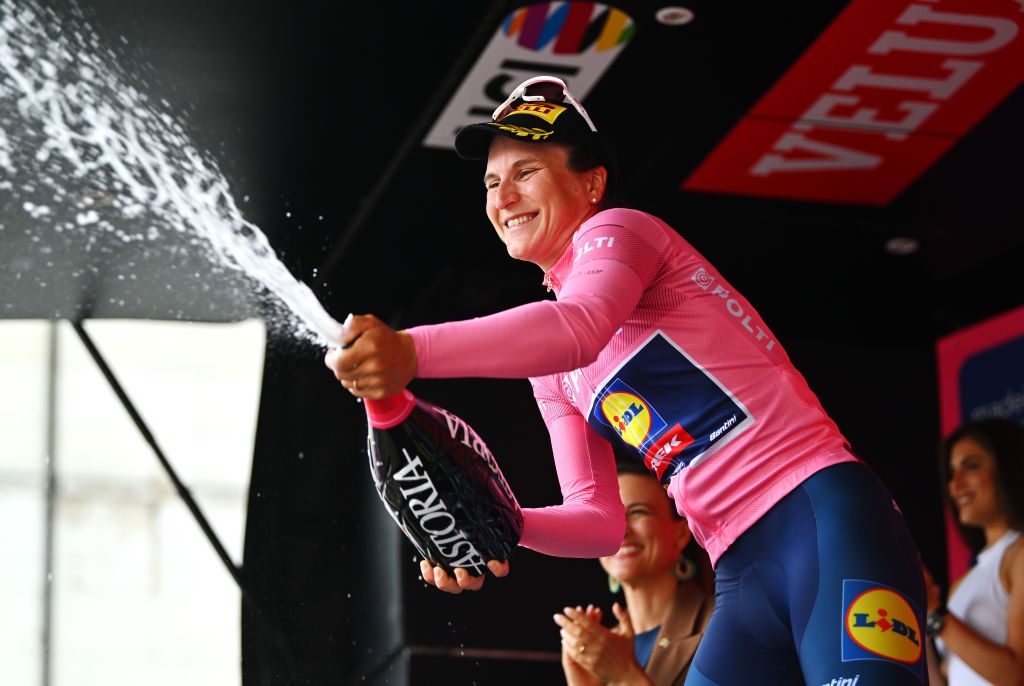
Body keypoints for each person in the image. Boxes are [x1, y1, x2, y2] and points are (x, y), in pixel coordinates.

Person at [325, 75, 928, 684]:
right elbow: (599, 522)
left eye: (525, 172)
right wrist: (504, 526)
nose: (502, 196)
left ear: (591, 183)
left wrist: (410, 349)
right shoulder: (551, 366)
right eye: (490, 182)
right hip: (740, 570)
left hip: (820, 515)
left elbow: (580, 325)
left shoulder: (620, 231)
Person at [554, 459, 712, 686]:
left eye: (638, 512)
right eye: (610, 517)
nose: (622, 530)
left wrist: (624, 676)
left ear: (680, 534)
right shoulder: (600, 650)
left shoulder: (721, 624)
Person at [924, 419, 1024, 685]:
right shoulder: (961, 585)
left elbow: (1016, 674)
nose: (955, 484)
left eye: (971, 466)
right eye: (951, 473)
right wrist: (920, 615)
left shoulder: (1019, 555)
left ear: (1008, 467)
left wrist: (937, 613)